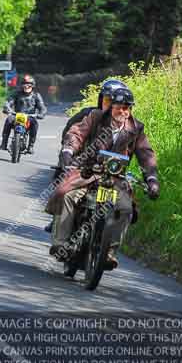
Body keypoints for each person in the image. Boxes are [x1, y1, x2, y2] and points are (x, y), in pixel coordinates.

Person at [46, 86, 160, 269]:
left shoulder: (136, 128)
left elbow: (146, 155)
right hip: (87, 172)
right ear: (110, 107)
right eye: (118, 107)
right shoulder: (95, 117)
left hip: (115, 178)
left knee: (126, 209)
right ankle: (61, 243)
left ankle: (109, 252)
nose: (122, 111)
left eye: (126, 107)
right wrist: (68, 151)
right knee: (65, 194)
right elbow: (76, 134)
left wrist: (152, 179)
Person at [0, 74, 46, 154]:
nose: (26, 86)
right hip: (17, 115)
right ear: (22, 85)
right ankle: (4, 143)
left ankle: (30, 146)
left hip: (30, 117)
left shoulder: (36, 96)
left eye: (29, 84)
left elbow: (42, 107)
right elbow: (8, 102)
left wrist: (41, 114)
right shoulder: (16, 94)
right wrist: (7, 108)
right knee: (9, 119)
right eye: (24, 84)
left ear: (32, 85)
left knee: (35, 124)